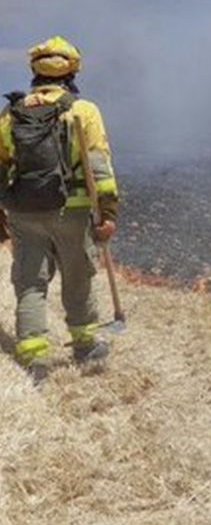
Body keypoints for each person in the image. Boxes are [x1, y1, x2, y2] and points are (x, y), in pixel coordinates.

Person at [0, 36, 118, 380]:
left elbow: (1, 166)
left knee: (30, 281)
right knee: (78, 277)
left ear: (34, 71)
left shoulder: (11, 113)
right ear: (72, 72)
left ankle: (33, 356)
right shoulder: (83, 111)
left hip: (23, 213)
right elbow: (100, 169)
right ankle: (84, 346)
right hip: (73, 211)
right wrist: (108, 213)